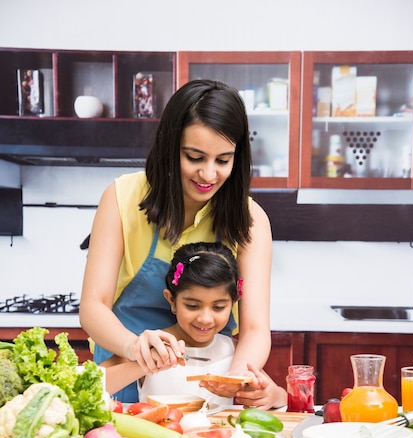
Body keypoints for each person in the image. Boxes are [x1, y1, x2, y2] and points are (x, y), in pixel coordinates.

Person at [79, 79, 273, 403]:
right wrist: (134, 348)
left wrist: (237, 377)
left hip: (206, 385)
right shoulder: (121, 198)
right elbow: (92, 306)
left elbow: (254, 328)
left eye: (223, 160)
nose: (209, 175)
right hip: (125, 377)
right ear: (171, 148)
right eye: (195, 157)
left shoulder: (251, 220)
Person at [102, 242, 287, 410]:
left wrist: (273, 395)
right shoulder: (153, 345)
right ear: (172, 301)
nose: (205, 318)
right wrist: (146, 362)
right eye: (192, 306)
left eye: (219, 307)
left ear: (234, 303)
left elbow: (280, 397)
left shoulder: (235, 351)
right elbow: (93, 385)